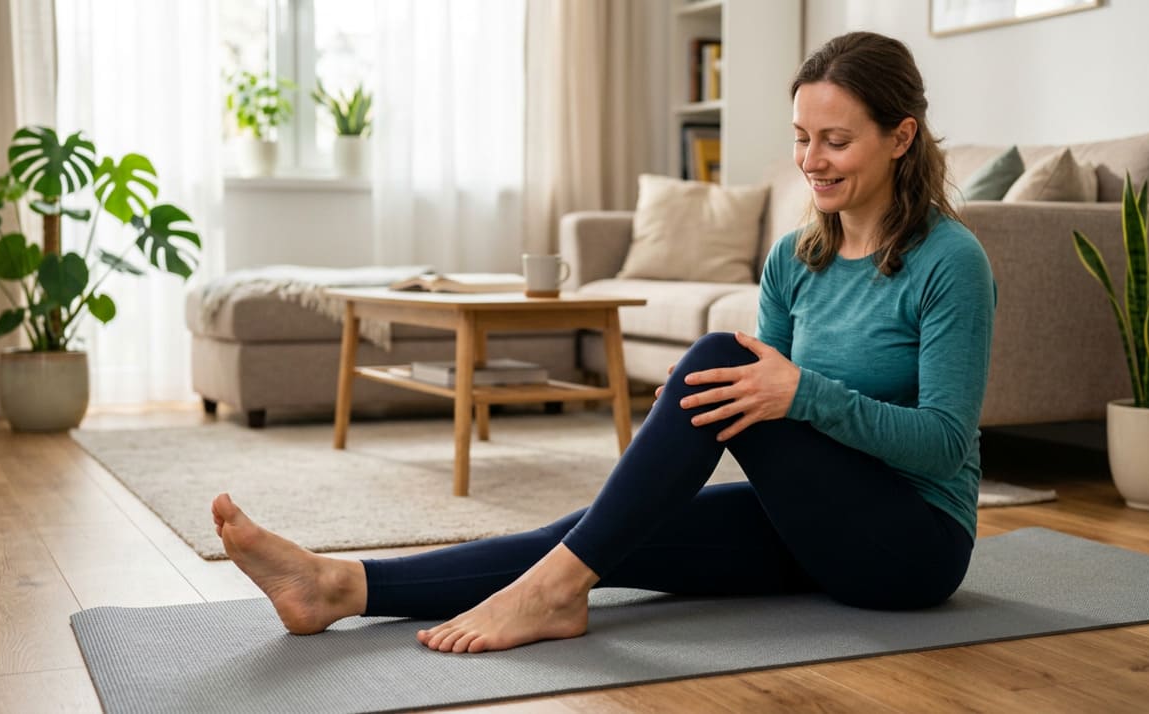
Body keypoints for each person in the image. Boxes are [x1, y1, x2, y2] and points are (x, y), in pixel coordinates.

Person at [210, 30, 996, 655]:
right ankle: (338, 587)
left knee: (718, 361)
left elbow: (943, 444)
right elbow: (769, 405)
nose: (810, 162)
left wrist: (793, 394)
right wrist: (710, 409)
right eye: (800, 138)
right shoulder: (796, 258)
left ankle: (548, 597)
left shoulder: (950, 261)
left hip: (910, 547)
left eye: (835, 140)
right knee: (595, 537)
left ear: (900, 138)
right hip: (816, 522)